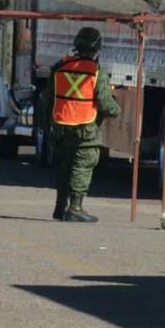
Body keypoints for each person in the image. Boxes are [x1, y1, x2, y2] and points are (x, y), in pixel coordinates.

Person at [44, 27, 120, 223]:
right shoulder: (96, 72)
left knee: (64, 166)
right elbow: (105, 103)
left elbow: (47, 99)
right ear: (97, 48)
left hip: (61, 126)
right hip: (86, 128)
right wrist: (116, 110)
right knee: (82, 166)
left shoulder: (59, 67)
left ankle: (60, 207)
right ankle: (75, 208)